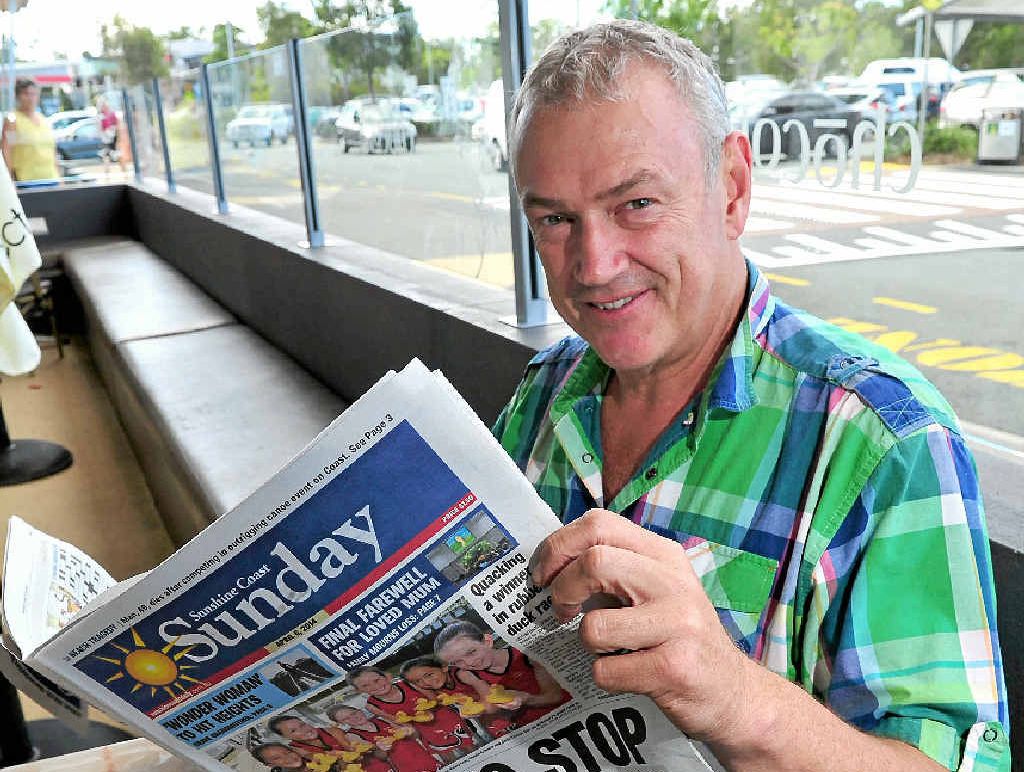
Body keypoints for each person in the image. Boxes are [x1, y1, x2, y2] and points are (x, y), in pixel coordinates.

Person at [492, 20, 1009, 772]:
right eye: (555, 220)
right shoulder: (544, 392)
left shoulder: (883, 439)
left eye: (637, 203)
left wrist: (735, 697)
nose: (594, 265)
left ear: (732, 189)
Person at [432, 622, 570, 730]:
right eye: (457, 662)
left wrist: (527, 699)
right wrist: (477, 710)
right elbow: (492, 709)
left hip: (565, 717)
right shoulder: (472, 675)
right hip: (532, 730)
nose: (469, 663)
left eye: (471, 652)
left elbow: (555, 696)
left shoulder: (525, 654)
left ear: (487, 641)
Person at [1, 78, 59, 182]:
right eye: (26, 94)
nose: (30, 98)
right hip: (26, 182)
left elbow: (53, 152)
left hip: (51, 179)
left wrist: (59, 178)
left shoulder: (43, 119)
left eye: (34, 94)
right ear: (18, 96)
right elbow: (7, 151)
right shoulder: (12, 120)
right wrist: (9, 180)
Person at [268, 714, 352, 761]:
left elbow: (350, 747)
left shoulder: (332, 731)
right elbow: (318, 759)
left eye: (302, 724)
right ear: (285, 737)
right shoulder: (295, 750)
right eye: (293, 730)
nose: (304, 730)